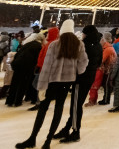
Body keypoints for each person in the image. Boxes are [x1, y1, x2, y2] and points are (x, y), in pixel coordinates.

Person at [16, 20, 89, 149]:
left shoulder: (55, 45)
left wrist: (42, 86)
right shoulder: (79, 45)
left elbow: (47, 67)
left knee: (43, 109)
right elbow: (83, 63)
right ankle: (48, 141)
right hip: (67, 82)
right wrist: (75, 71)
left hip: (52, 81)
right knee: (58, 109)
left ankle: (33, 138)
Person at [54, 25, 102, 143]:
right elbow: (99, 63)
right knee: (77, 104)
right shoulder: (98, 46)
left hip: (80, 79)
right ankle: (67, 128)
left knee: (75, 106)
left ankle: (75, 132)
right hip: (89, 78)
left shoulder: (83, 46)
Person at [5, 33, 44, 107]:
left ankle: (10, 101)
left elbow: (18, 53)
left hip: (17, 64)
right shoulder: (39, 46)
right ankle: (17, 101)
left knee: (14, 82)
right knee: (22, 84)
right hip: (27, 66)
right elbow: (37, 58)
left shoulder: (28, 44)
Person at [88, 32, 116, 106]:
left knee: (103, 85)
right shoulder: (108, 47)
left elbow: (101, 60)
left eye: (101, 40)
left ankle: (104, 100)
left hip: (108, 70)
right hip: (108, 69)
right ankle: (105, 99)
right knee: (105, 85)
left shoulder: (107, 49)